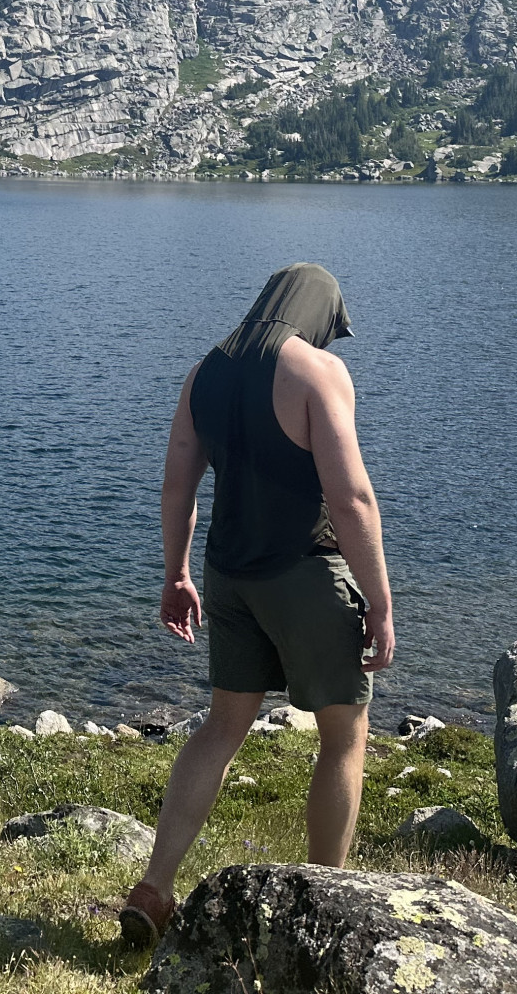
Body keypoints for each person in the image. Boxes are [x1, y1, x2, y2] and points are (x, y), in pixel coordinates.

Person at [119, 262, 395, 951]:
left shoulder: (203, 374)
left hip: (228, 576)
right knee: (344, 735)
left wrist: (175, 574)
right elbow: (351, 499)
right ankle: (323, 906)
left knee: (222, 726)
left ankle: (155, 887)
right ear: (319, 316)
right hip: (305, 573)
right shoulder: (317, 372)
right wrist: (381, 603)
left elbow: (176, 486)